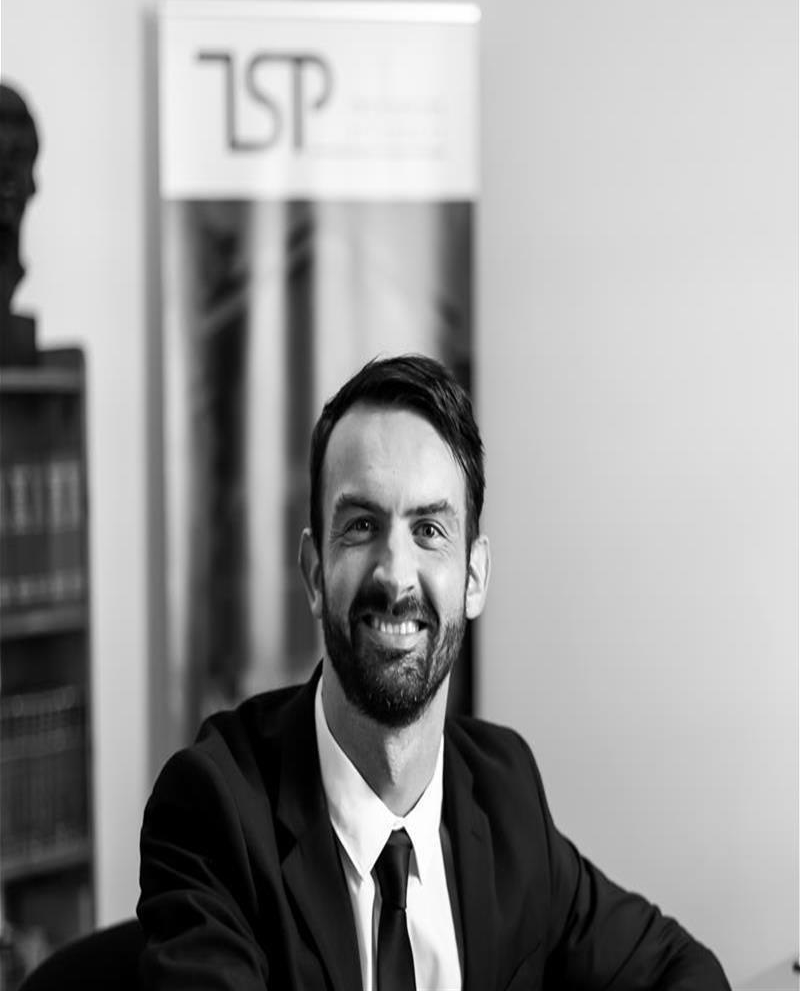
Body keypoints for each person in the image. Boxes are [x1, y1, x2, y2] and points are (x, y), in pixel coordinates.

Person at [138, 353, 730, 990]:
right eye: (361, 526)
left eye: (428, 529)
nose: (395, 575)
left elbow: (680, 970)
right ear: (314, 574)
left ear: (473, 577)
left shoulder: (505, 794)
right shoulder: (213, 810)